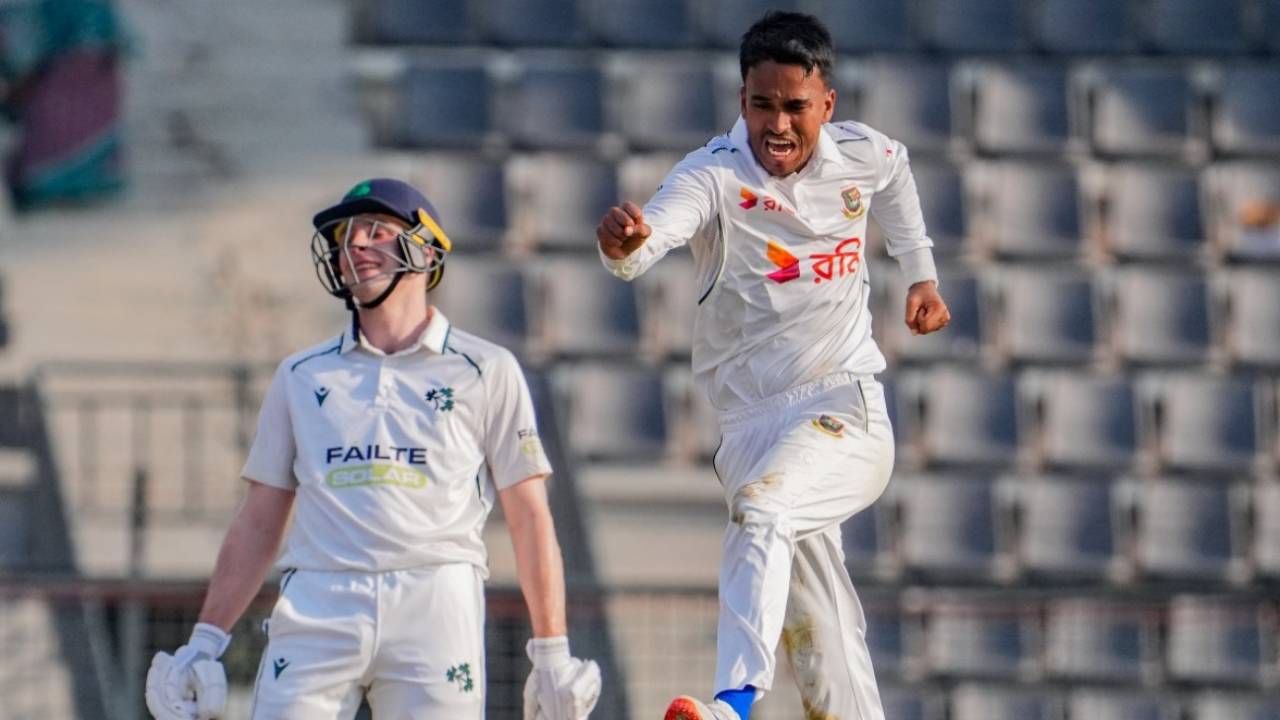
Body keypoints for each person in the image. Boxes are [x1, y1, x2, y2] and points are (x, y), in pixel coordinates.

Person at [596, 12, 950, 720]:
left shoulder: (861, 154)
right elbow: (651, 238)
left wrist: (922, 275)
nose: (778, 125)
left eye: (795, 106)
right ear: (742, 101)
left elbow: (897, 173)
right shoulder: (713, 177)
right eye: (763, 105)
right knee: (824, 635)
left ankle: (734, 700)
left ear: (827, 104)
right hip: (750, 431)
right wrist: (624, 245)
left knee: (762, 511)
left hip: (842, 407)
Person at [145, 178, 601, 720]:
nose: (353, 245)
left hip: (436, 601)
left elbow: (529, 518)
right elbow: (259, 520)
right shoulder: (301, 374)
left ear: (425, 250)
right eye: (345, 237)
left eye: (376, 231)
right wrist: (206, 638)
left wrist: (551, 651)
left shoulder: (487, 369)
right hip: (318, 600)